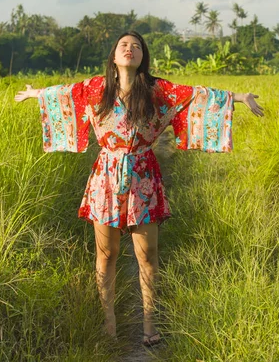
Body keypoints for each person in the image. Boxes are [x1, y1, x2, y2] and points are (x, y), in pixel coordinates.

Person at [14, 30, 264, 347]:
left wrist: (240, 98)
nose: (130, 49)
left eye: (136, 46)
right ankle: (108, 327)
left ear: (143, 56)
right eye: (123, 45)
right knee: (107, 254)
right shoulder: (96, 88)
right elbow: (65, 94)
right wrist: (36, 93)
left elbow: (197, 95)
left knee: (147, 255)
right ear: (114, 56)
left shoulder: (157, 90)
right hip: (106, 176)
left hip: (144, 175)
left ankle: (149, 325)